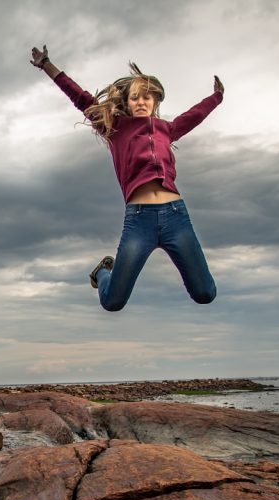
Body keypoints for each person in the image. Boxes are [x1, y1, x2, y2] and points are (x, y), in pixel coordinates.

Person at [30, 45, 224, 311]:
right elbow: (82, 99)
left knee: (205, 293)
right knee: (113, 301)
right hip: (139, 219)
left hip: (176, 217)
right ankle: (102, 272)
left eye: (147, 97)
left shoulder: (167, 129)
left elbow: (195, 115)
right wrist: (48, 66)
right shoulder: (115, 129)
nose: (141, 102)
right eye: (135, 98)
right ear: (127, 103)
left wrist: (217, 97)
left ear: (155, 102)